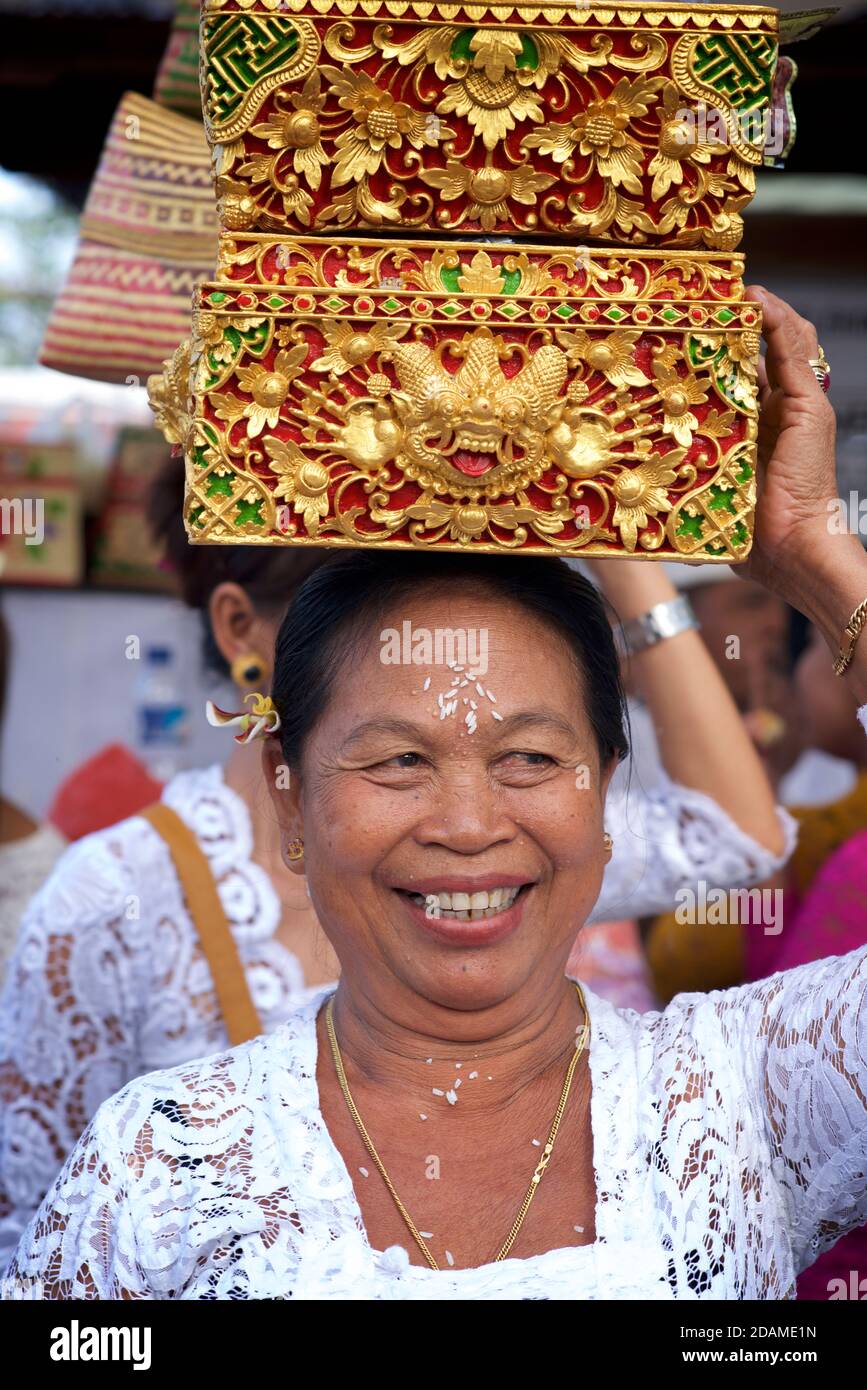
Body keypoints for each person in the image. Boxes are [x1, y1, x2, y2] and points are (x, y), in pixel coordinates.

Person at [6, 289, 866, 1299]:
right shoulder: (150, 1173)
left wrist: (813, 551)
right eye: (399, 760)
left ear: (606, 793)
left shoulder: (751, 1093)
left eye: (532, 760)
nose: (468, 824)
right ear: (287, 797)